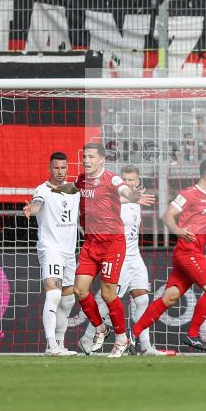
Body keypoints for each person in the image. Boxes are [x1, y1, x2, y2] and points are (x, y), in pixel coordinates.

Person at [131, 159, 206, 352]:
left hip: (192, 252)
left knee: (169, 298)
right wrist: (178, 231)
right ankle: (193, 335)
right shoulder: (189, 194)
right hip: (187, 251)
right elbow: (167, 215)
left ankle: (133, 334)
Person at [73, 143, 154, 358]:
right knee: (80, 290)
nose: (86, 160)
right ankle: (100, 329)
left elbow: (122, 190)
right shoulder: (80, 180)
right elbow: (72, 193)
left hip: (112, 246)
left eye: (91, 156)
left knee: (109, 294)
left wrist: (131, 194)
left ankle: (122, 339)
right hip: (90, 243)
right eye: (84, 156)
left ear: (101, 159)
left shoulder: (112, 178)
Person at [23, 152, 80, 356]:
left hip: (69, 251)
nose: (60, 172)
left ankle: (59, 343)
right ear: (50, 168)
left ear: (67, 168)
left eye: (63, 168)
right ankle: (51, 346)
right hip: (51, 249)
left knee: (68, 300)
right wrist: (32, 209)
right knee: (54, 294)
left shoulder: (75, 190)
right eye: (56, 168)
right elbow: (37, 204)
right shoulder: (42, 190)